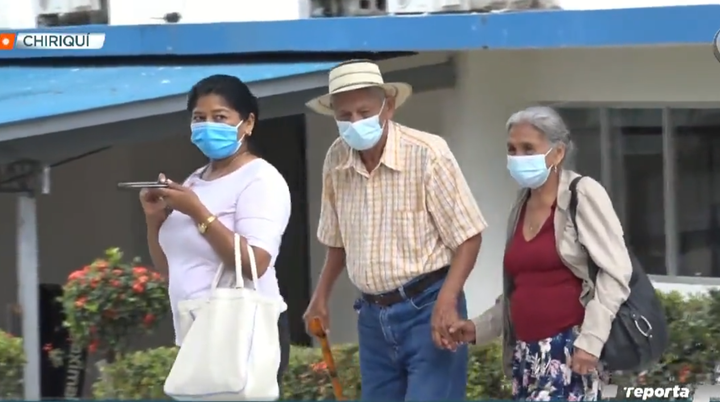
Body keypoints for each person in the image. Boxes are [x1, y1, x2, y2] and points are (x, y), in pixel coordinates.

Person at [303, 60, 488, 401]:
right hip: (372, 317)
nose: (355, 122)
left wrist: (447, 300)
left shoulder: (428, 153)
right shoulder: (335, 159)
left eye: (364, 111)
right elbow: (337, 240)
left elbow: (469, 236)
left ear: (387, 107)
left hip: (427, 304)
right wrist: (321, 296)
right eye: (345, 116)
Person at [447, 106, 633, 401]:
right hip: (526, 355)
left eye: (528, 149)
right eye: (512, 149)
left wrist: (591, 342)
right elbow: (520, 290)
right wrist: (477, 328)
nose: (518, 158)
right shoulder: (521, 205)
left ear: (558, 153)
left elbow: (615, 274)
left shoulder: (582, 194)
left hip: (570, 351)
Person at [139, 74, 293, 390]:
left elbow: (255, 264)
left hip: (241, 332)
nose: (208, 126)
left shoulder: (261, 179)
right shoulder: (196, 180)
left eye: (220, 117)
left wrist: (197, 211)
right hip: (198, 333)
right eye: (199, 118)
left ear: (248, 123)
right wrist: (155, 220)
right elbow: (171, 269)